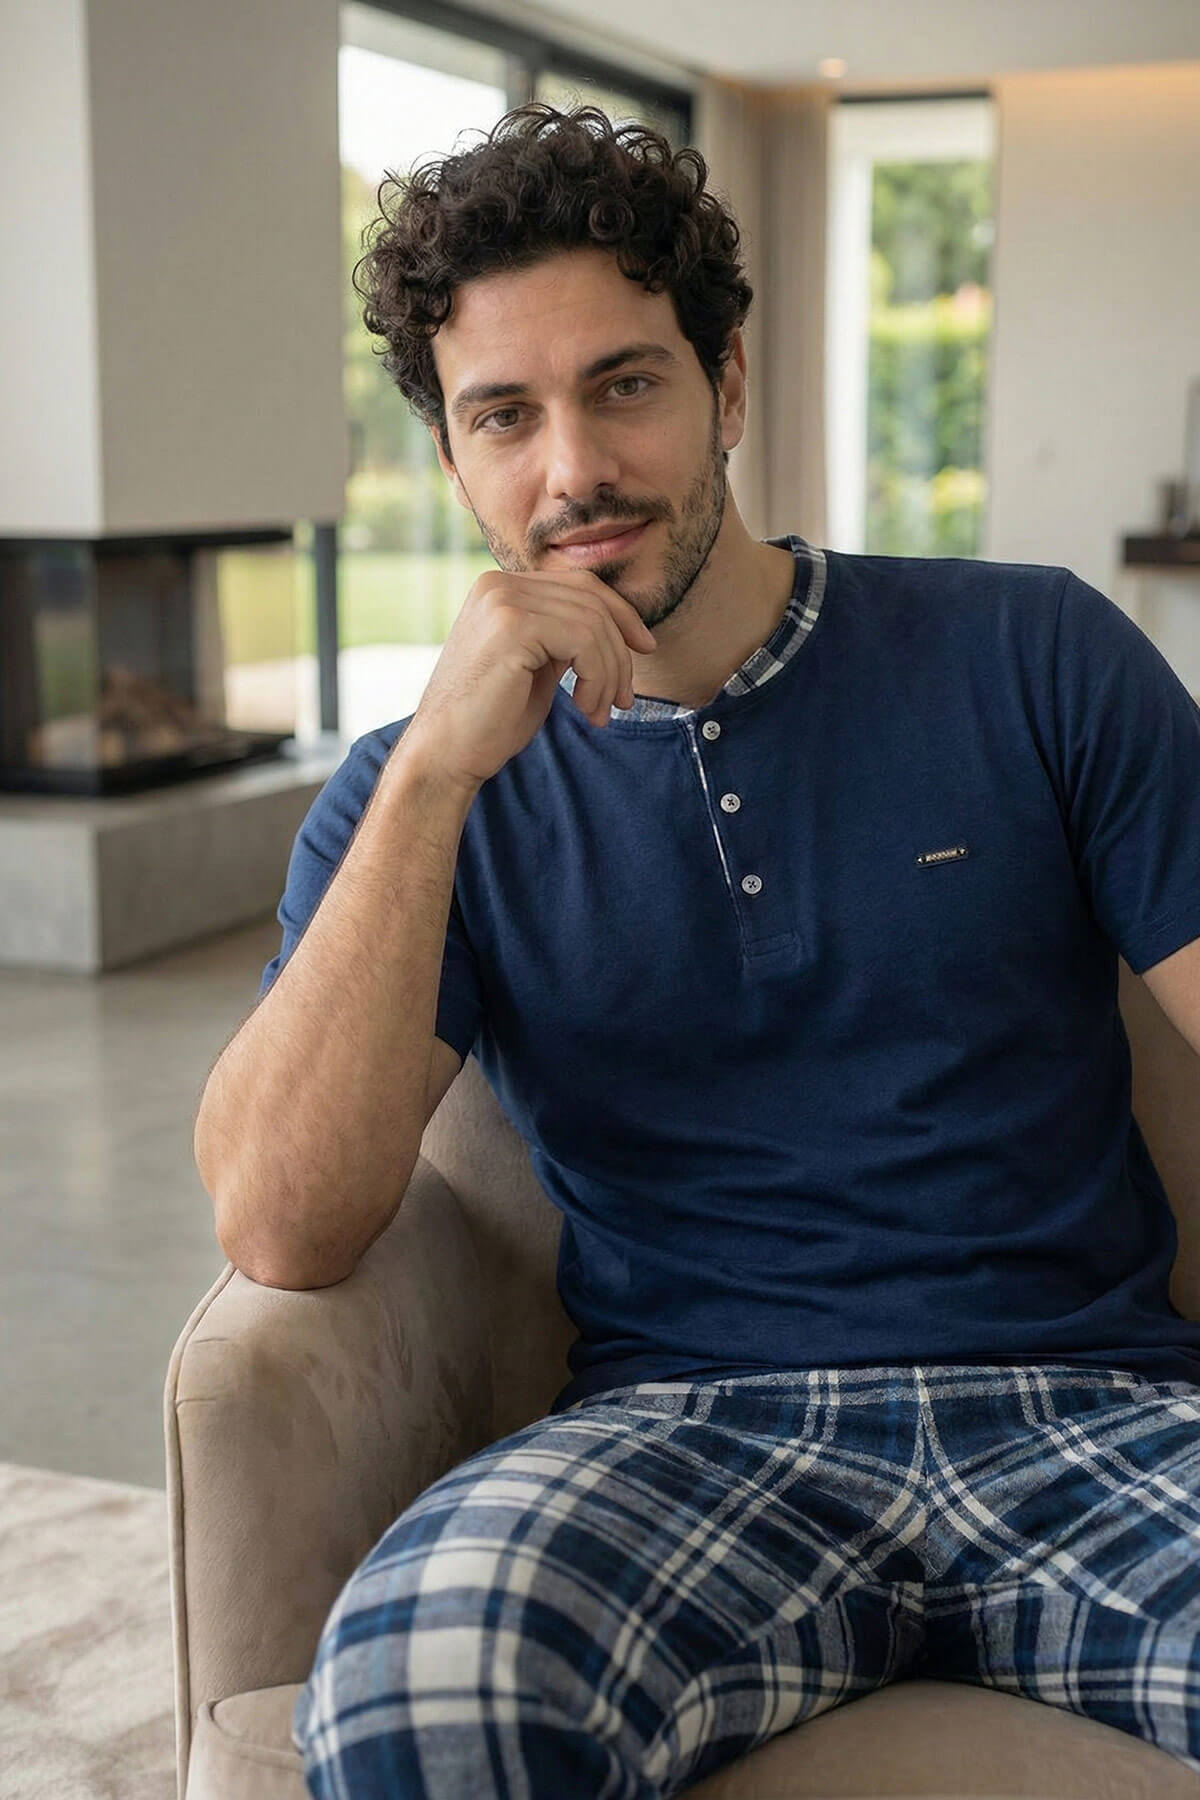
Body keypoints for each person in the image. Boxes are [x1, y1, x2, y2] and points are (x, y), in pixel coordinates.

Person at [193, 103, 1200, 1797]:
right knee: (413, 1694)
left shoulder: (1036, 654)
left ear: (727, 385)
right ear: (451, 460)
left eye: (626, 385)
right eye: (503, 415)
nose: (572, 468)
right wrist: (434, 777)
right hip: (682, 1440)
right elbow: (283, 1225)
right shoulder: (411, 796)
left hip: (1093, 1413)